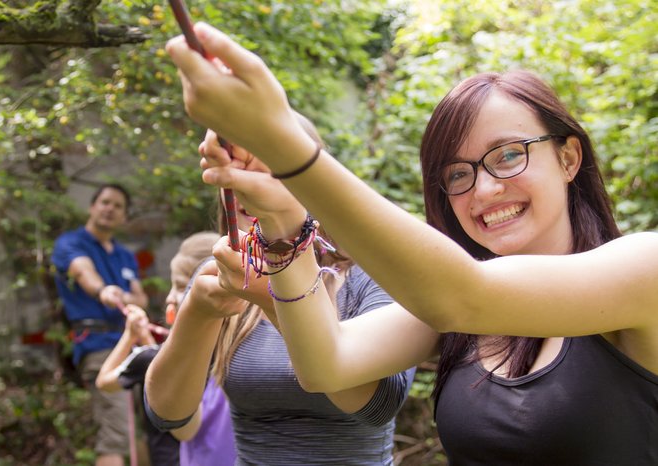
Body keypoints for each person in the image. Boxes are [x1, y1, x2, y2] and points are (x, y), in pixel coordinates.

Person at [166, 22, 658, 465]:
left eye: (508, 155)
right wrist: (281, 219)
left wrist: (282, 144)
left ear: (568, 158)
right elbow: (326, 364)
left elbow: (463, 295)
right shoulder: (454, 316)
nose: (484, 189)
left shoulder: (643, 268)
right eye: (458, 174)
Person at [144, 118, 415, 465]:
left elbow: (378, 406)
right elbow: (168, 414)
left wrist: (274, 297)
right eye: (238, 171)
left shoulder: (371, 272)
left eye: (266, 169)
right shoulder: (221, 274)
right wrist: (198, 312)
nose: (250, 187)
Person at [95, 231, 234, 466]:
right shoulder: (245, 350)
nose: (170, 297)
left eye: (180, 286)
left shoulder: (236, 353)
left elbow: (104, 381)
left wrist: (130, 337)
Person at [52, 183, 149, 466]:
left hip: (132, 344)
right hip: (98, 347)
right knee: (116, 431)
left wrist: (126, 296)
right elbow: (84, 272)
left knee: (142, 430)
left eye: (118, 206)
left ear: (124, 217)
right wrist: (103, 291)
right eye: (105, 202)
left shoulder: (125, 255)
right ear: (92, 207)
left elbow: (140, 297)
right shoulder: (71, 244)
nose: (110, 209)